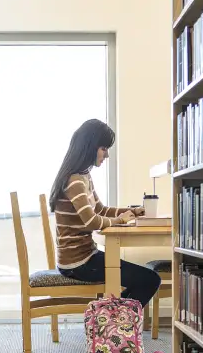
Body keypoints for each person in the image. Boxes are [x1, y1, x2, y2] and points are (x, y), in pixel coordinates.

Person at [49, 119, 161, 308]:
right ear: (90, 147)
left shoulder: (84, 176)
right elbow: (92, 221)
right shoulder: (75, 181)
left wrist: (130, 211)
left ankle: (111, 319)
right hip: (79, 264)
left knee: (146, 279)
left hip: (84, 258)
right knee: (150, 280)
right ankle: (114, 322)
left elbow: (100, 210)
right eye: (104, 148)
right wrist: (119, 220)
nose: (107, 154)